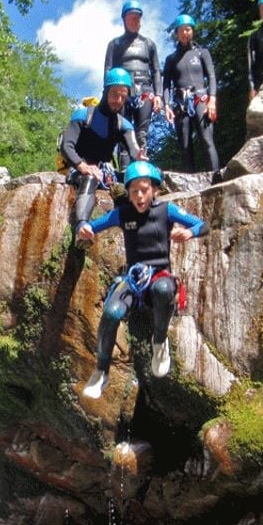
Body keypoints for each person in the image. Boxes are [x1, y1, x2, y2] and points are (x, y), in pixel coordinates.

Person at [75, 160, 209, 399]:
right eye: (134, 190)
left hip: (159, 275)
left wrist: (189, 232)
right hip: (134, 276)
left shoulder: (166, 210)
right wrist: (84, 227)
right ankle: (101, 370)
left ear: (155, 190)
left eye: (144, 189)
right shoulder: (122, 213)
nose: (139, 195)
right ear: (127, 192)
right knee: (112, 313)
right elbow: (92, 227)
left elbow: (203, 224)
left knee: (163, 289)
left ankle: (159, 344)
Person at [60, 67, 143, 231]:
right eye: (114, 94)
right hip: (78, 169)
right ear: (105, 92)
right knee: (90, 178)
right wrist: (82, 166)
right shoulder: (83, 115)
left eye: (123, 96)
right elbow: (66, 145)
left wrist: (141, 160)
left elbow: (134, 151)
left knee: (134, 180)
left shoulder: (123, 125)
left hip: (105, 172)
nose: (118, 100)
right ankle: (81, 228)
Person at [104, 0, 163, 171]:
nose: (134, 21)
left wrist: (158, 95)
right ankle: (124, 172)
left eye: (137, 18)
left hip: (145, 90)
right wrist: (107, 95)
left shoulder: (149, 44)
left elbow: (157, 70)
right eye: (131, 18)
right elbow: (108, 70)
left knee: (142, 133)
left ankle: (141, 170)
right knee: (122, 131)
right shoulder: (114, 44)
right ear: (124, 20)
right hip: (122, 91)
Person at [162, 14, 219, 173]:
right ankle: (190, 184)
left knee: (207, 140)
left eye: (187, 29)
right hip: (181, 103)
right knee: (185, 146)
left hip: (200, 98)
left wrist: (212, 100)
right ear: (177, 34)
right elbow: (166, 85)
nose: (185, 33)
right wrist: (166, 106)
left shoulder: (202, 53)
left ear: (192, 31)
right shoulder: (171, 59)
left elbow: (212, 77)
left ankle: (216, 178)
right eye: (181, 30)